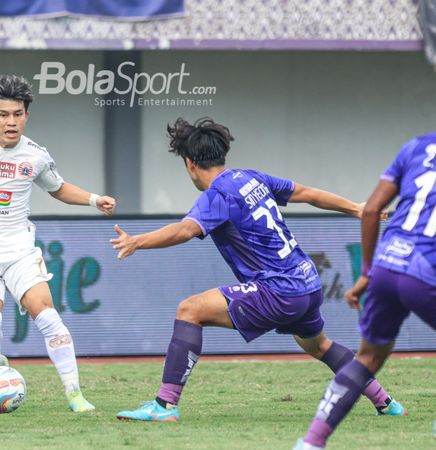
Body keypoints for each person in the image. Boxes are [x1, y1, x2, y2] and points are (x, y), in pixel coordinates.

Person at [111, 117, 406, 422]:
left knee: (190, 310)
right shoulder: (250, 178)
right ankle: (386, 402)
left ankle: (164, 406)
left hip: (279, 289)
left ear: (190, 164)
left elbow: (186, 230)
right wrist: (356, 208)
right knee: (320, 346)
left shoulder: (217, 195)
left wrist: (137, 242)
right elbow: (305, 192)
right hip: (307, 282)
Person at [0, 74, 116, 413]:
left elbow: (57, 188)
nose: (11, 121)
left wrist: (94, 199)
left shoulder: (36, 155)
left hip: (19, 252)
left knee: (48, 318)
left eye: (17, 114)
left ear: (26, 115)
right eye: (3, 114)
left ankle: (75, 395)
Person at [295, 133, 436, 449]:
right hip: (426, 269)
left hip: (387, 263)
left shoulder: (417, 146)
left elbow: (371, 210)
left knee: (368, 358)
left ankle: (310, 443)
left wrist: (368, 273)